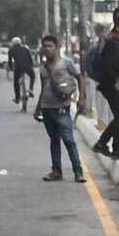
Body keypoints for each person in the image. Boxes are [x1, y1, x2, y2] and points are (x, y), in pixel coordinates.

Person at [36, 35, 88, 182]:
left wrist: (82, 98)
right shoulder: (43, 68)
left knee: (69, 140)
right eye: (44, 46)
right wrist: (38, 108)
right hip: (47, 108)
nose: (47, 49)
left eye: (50, 46)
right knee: (54, 140)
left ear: (56, 48)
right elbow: (43, 88)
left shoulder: (66, 63)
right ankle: (56, 171)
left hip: (61, 108)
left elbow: (80, 77)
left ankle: (78, 171)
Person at [91, 9, 119, 159]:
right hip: (110, 85)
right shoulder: (114, 41)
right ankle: (102, 143)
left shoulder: (111, 37)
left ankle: (117, 149)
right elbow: (110, 67)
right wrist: (118, 85)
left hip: (108, 84)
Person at [6, 37, 35, 111]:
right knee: (32, 76)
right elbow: (30, 59)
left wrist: (12, 69)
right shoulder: (25, 48)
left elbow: (10, 61)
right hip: (27, 67)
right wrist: (32, 66)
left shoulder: (11, 50)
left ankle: (17, 97)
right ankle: (31, 89)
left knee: (16, 82)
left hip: (18, 68)